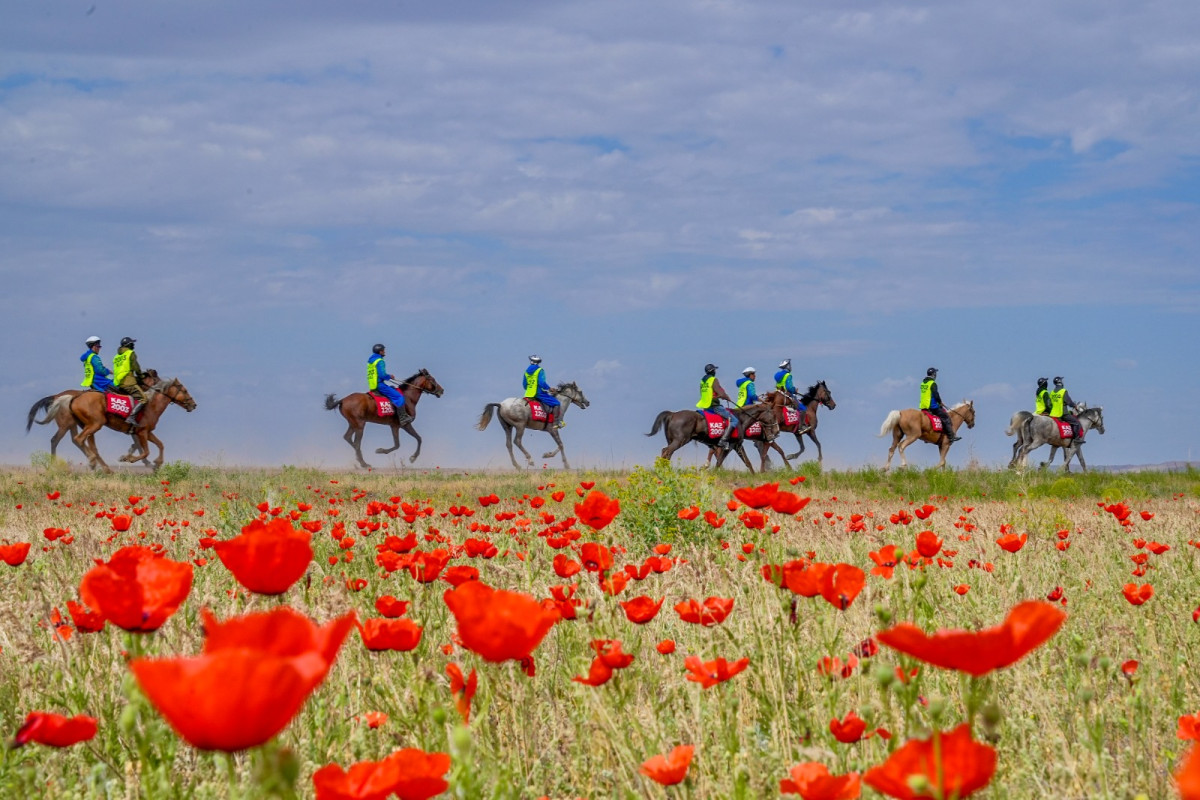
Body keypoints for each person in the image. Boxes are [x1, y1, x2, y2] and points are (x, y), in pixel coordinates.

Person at [366, 344, 412, 425]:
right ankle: (403, 418)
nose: (384, 352)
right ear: (380, 351)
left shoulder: (371, 361)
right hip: (380, 385)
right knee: (399, 396)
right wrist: (389, 376)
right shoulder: (380, 361)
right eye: (383, 350)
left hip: (372, 385)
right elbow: (382, 375)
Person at [697, 363, 737, 449]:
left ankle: (710, 443)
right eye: (714, 370)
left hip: (705, 407)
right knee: (734, 421)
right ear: (712, 371)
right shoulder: (713, 379)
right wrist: (726, 397)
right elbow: (721, 393)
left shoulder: (702, 381)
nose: (715, 372)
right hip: (714, 406)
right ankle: (723, 440)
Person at [112, 336, 148, 428]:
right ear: (129, 345)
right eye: (132, 343)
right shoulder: (130, 353)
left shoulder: (117, 356)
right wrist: (141, 376)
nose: (133, 345)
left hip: (118, 382)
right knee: (144, 399)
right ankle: (131, 417)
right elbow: (136, 367)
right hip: (129, 382)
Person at [919, 367, 960, 442]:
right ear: (934, 374)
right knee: (946, 417)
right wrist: (940, 402)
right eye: (935, 373)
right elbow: (935, 394)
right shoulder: (933, 383)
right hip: (932, 406)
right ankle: (951, 436)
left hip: (923, 406)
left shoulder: (923, 383)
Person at [773, 358, 812, 434]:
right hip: (786, 395)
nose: (790, 367)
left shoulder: (778, 375)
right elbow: (789, 387)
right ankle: (802, 427)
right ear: (787, 366)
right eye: (789, 365)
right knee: (803, 409)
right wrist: (794, 390)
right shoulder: (788, 375)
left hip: (778, 393)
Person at [524, 355, 563, 428]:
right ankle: (555, 423)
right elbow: (541, 383)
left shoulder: (526, 372)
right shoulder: (540, 370)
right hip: (538, 393)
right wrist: (549, 388)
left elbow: (524, 384)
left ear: (531, 361)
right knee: (556, 403)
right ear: (538, 362)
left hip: (528, 394)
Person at [1049, 376, 1083, 442]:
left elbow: (1050, 403)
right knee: (1076, 422)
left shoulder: (1052, 392)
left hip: (1053, 413)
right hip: (1062, 413)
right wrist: (1075, 406)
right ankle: (1076, 439)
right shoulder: (1063, 391)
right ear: (1060, 382)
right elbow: (1069, 402)